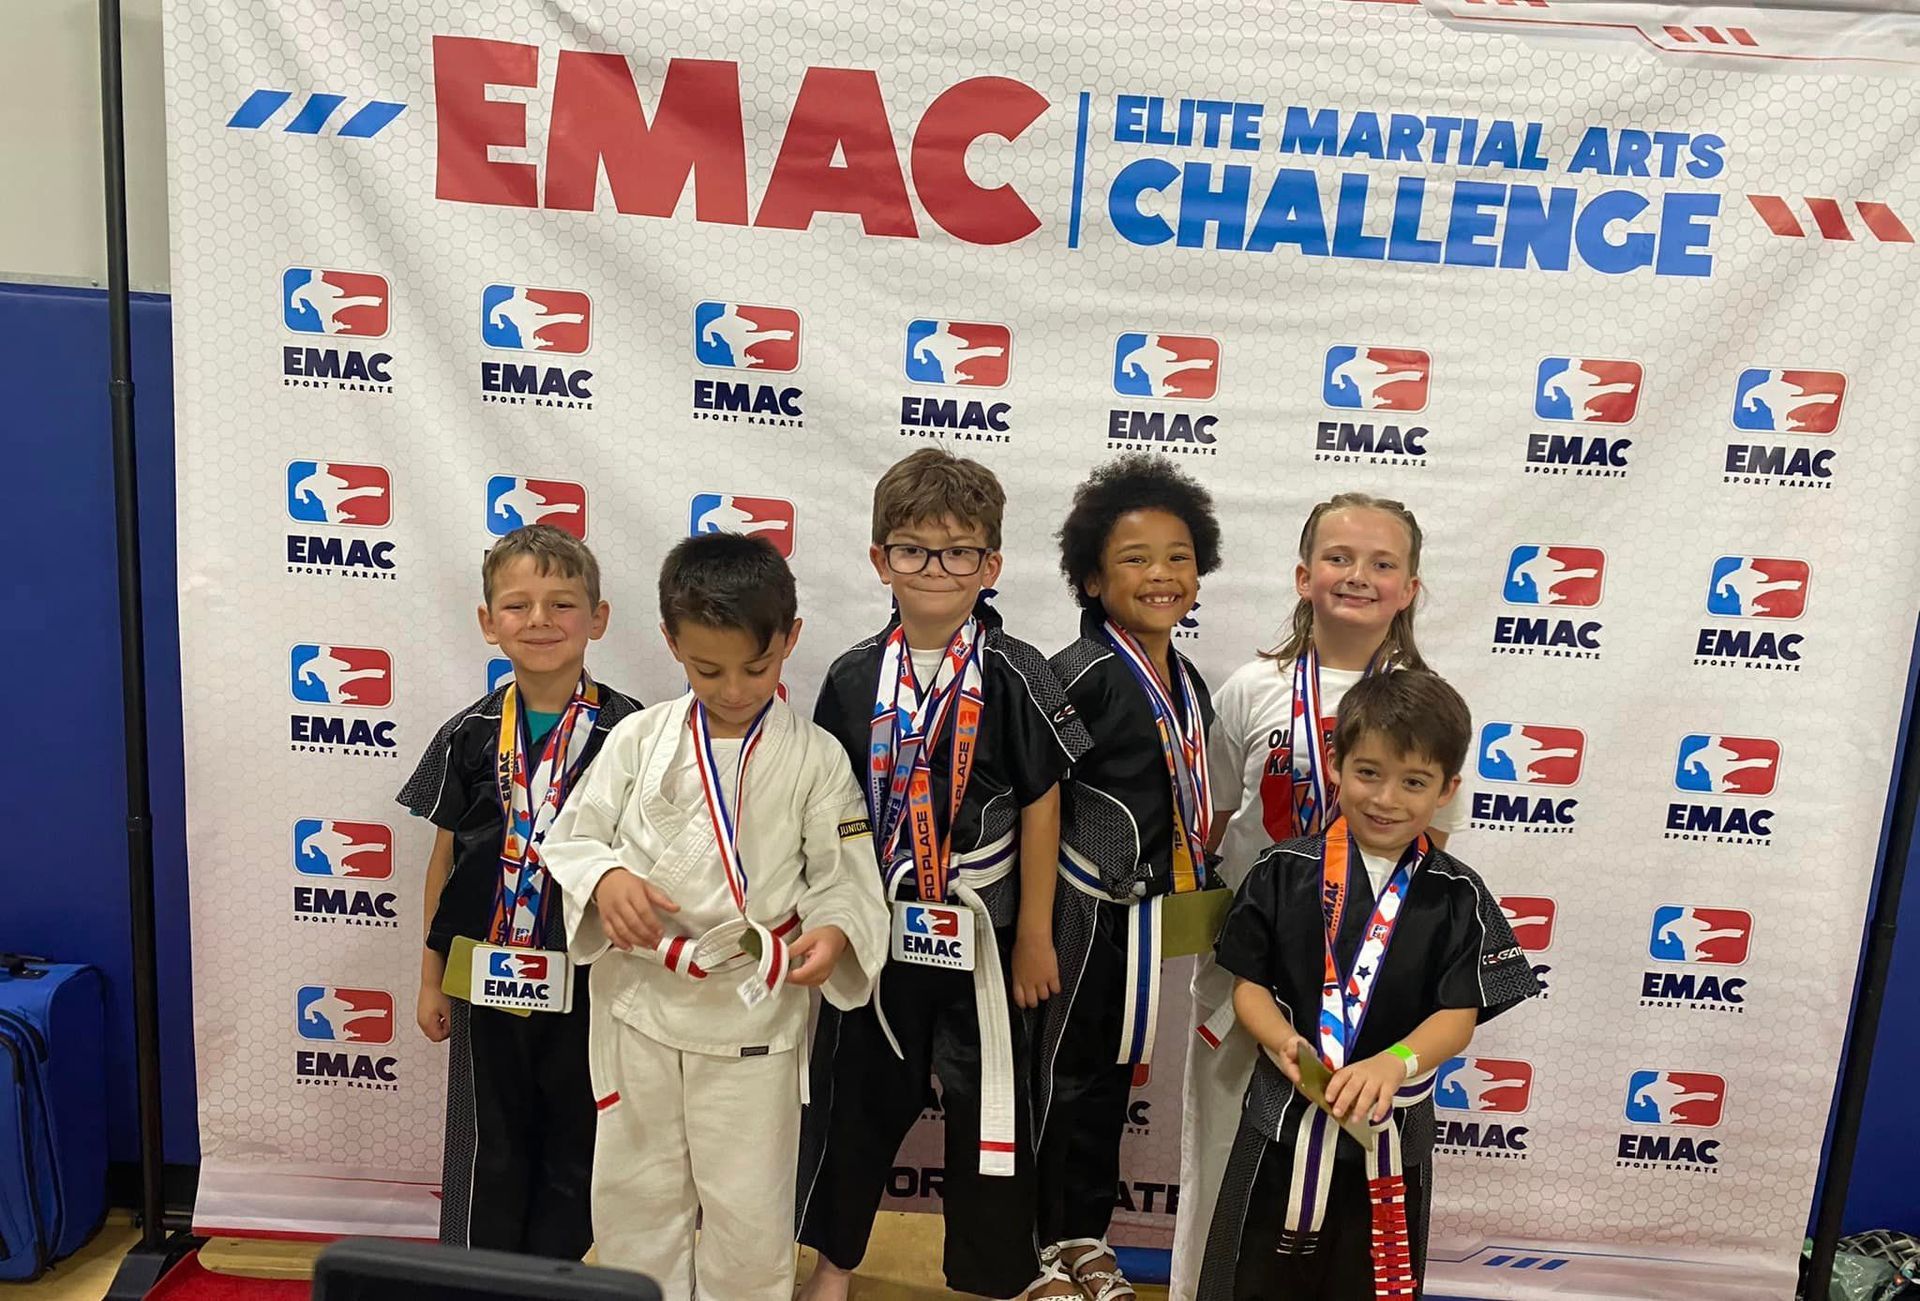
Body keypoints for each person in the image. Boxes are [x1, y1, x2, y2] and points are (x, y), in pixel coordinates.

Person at [539, 532, 889, 1301]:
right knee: (636, 1192)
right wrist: (605, 879)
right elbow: (572, 837)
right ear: (670, 642)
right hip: (640, 1000)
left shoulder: (817, 756)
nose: (734, 688)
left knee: (749, 1205)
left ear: (791, 639)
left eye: (757, 667)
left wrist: (833, 933)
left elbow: (845, 878)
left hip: (751, 1012)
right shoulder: (638, 738)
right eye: (708, 669)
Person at [796, 448, 1092, 1301]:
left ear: (991, 565)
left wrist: (1036, 931)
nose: (936, 568)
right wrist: (832, 919)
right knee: (854, 1099)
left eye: (959, 550)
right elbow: (831, 808)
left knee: (990, 1109)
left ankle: (993, 1275)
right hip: (883, 929)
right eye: (913, 549)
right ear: (879, 558)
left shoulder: (1017, 670)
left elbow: (1044, 804)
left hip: (989, 939)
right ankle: (832, 1263)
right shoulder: (854, 676)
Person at [1170, 491, 1464, 1299]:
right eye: (1338, 557)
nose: (1357, 576)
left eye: (1382, 563)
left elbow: (1428, 852)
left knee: (1336, 1176)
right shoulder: (1251, 687)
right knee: (1227, 1145)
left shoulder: (1425, 706)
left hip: (1366, 984)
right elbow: (1214, 821)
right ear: (1304, 575)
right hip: (1249, 971)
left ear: (1410, 587)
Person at [1196, 670, 1539, 1300]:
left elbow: (1456, 1016)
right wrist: (1286, 1047)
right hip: (1285, 1113)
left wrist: (1394, 1064)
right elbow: (1250, 988)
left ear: (1447, 790)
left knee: (1368, 1281)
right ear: (1335, 764)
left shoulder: (1457, 895)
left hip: (1387, 1131)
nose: (1386, 798)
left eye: (1414, 782)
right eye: (1369, 773)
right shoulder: (1281, 870)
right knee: (1250, 1277)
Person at [396, 525, 641, 1256]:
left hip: (591, 978)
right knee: (486, 1140)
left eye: (563, 603)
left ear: (597, 618)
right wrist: (429, 980)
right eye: (518, 604)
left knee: (579, 1134)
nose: (540, 620)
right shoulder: (467, 733)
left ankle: (555, 1274)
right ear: (487, 620)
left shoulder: (634, 731)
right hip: (482, 973)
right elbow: (443, 859)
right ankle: (477, 1276)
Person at [1032, 455, 1224, 1301]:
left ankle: (1085, 1236)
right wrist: (1033, 928)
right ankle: (1036, 1246)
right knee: (1056, 1077)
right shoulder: (1073, 674)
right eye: (1137, 557)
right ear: (1089, 574)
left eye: (1178, 555)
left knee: (1108, 1081)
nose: (1161, 574)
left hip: (1142, 924)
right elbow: (1022, 805)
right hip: (1073, 914)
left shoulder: (1188, 680)